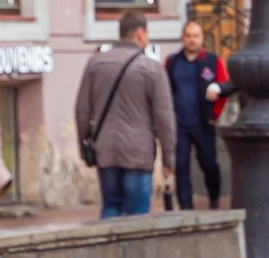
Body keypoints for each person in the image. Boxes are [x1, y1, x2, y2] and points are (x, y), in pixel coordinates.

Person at [75, 11, 177, 218]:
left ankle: (108, 239)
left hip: (106, 150)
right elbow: (164, 117)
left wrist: (85, 148)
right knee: (137, 215)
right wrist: (169, 158)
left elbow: (82, 109)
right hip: (138, 153)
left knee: (110, 208)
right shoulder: (151, 68)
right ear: (140, 33)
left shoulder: (95, 63)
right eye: (147, 33)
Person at [164, 21, 229, 210]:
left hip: (203, 122)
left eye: (196, 36)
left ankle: (214, 198)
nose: (192, 40)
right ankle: (186, 206)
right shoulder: (172, 62)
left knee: (208, 164)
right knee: (181, 165)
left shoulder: (212, 61)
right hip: (179, 123)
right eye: (188, 36)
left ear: (202, 39)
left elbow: (224, 88)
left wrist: (215, 114)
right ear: (182, 38)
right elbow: (164, 91)